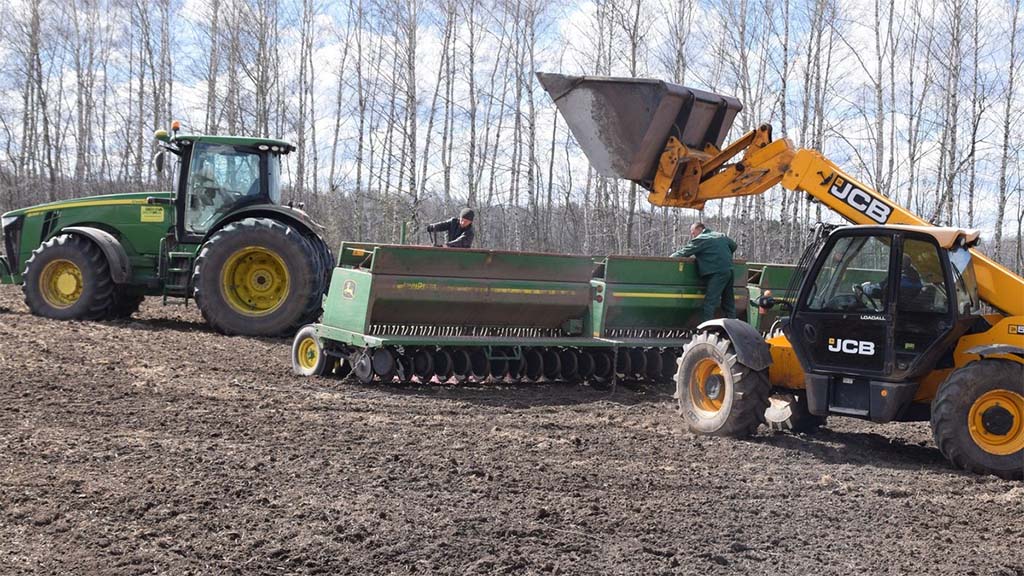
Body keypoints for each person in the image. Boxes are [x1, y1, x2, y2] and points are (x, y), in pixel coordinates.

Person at [671, 222, 738, 321]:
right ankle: (733, 326)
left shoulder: (701, 239)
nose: (692, 235)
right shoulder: (721, 236)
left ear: (700, 229)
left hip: (716, 273)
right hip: (729, 270)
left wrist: (670, 258)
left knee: (709, 303)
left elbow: (685, 252)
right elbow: (734, 246)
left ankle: (706, 329)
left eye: (693, 232)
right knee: (728, 302)